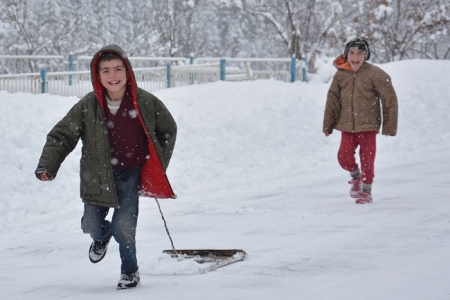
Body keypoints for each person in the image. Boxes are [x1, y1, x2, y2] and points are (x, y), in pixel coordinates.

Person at [35, 45, 177, 289]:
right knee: (90, 224)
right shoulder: (88, 106)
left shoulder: (145, 101)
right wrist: (48, 164)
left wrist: (156, 163)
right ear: (97, 76)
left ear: (128, 71)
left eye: (118, 69)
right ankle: (101, 237)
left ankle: (130, 272)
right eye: (106, 71)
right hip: (97, 174)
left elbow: (167, 130)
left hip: (131, 173)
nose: (113, 76)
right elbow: (62, 136)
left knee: (124, 227)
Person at [323, 38, 398, 204]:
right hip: (347, 126)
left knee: (368, 159)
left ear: (366, 55)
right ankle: (355, 176)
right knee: (343, 156)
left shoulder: (376, 74)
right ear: (346, 54)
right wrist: (328, 124)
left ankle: (366, 190)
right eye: (351, 53)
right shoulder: (341, 74)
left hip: (368, 125)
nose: (355, 57)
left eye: (359, 53)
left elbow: (389, 99)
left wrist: (389, 126)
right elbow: (332, 100)